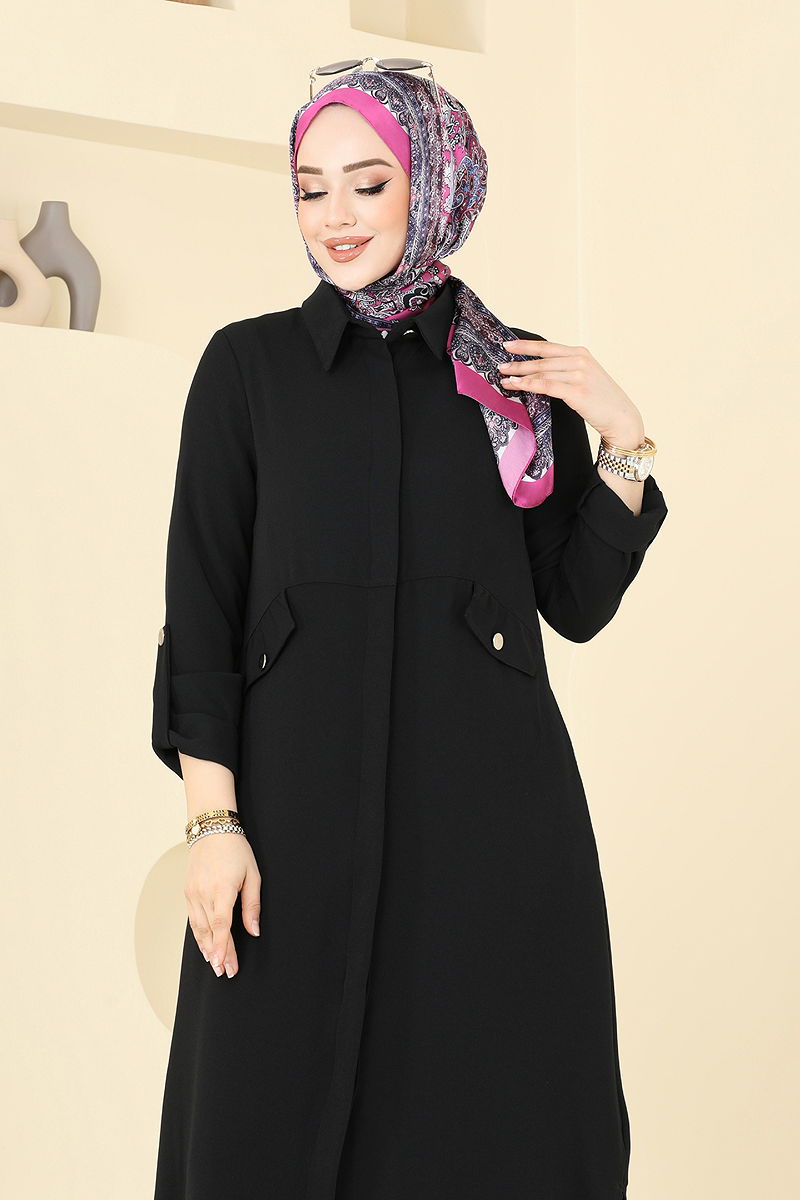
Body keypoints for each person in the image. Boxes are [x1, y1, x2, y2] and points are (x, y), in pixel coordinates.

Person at [150, 62, 668, 1200]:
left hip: (489, 835)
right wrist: (213, 822)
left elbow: (574, 604)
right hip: (291, 823)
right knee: (258, 1126)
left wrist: (621, 440)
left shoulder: (513, 377)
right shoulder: (247, 370)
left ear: (434, 185)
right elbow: (203, 607)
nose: (334, 216)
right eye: (310, 187)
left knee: (495, 1130)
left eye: (368, 183)